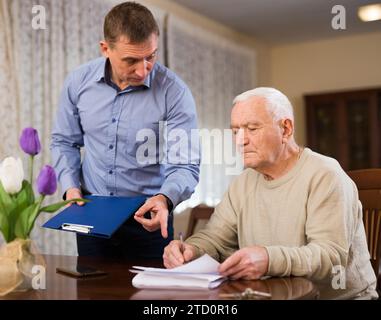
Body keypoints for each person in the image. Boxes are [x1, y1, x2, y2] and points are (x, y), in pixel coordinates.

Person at [163, 87, 378, 299]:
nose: (241, 140)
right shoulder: (243, 183)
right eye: (236, 131)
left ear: (285, 129)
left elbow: (330, 258)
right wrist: (191, 249)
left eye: (252, 128)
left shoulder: (326, 175)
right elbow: (215, 238)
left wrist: (268, 258)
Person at [51, 2, 200, 259]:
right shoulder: (78, 82)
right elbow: (64, 142)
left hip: (150, 215)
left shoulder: (174, 92)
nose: (143, 70)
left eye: (151, 56)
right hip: (91, 212)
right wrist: (70, 188)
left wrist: (165, 198)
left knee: (153, 296)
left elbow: (185, 164)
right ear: (105, 49)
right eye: (131, 60)